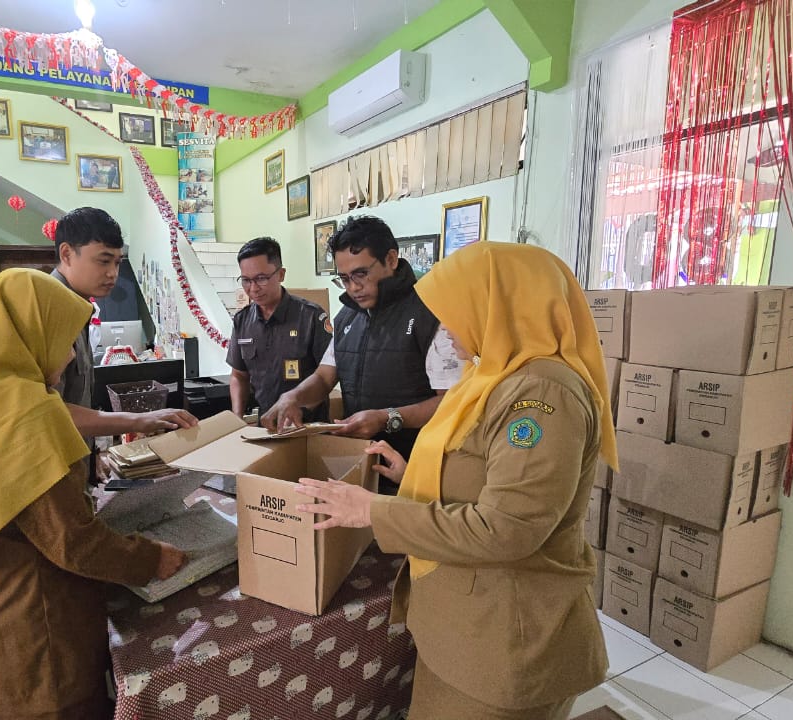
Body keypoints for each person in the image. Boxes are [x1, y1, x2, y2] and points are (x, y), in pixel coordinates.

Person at [293, 242, 616, 719]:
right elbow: (480, 470)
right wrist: (410, 477)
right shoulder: (491, 374)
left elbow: (508, 528)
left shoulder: (541, 391)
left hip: (508, 643)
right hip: (466, 628)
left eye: (451, 313)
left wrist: (371, 509)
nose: (444, 330)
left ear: (495, 305)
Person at [0, 269, 188, 720]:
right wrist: (151, 559)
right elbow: (72, 540)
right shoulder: (25, 413)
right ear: (26, 333)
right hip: (37, 638)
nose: (71, 355)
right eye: (64, 338)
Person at [262, 215, 462, 468]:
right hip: (362, 459)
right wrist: (292, 397)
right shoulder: (347, 317)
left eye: (361, 274)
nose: (353, 288)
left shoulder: (430, 314)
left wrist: (386, 418)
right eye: (344, 279)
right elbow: (324, 377)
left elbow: (453, 402)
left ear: (390, 260)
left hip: (417, 463)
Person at [50, 207, 197, 438]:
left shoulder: (77, 307)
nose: (113, 273)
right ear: (67, 254)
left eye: (117, 263)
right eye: (103, 261)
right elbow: (48, 413)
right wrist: (139, 419)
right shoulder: (50, 308)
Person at [227, 237, 332, 422]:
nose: (253, 289)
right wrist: (237, 418)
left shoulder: (310, 317)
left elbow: (327, 377)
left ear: (281, 274)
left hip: (307, 427)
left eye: (261, 279)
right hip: (266, 426)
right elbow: (238, 376)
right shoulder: (242, 321)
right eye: (245, 280)